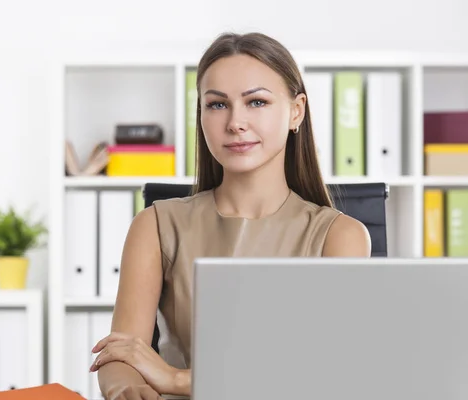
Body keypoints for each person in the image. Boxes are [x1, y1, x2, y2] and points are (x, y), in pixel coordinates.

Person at [90, 31, 372, 400]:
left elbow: (327, 372)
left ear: (296, 111)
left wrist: (175, 379)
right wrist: (127, 388)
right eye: (218, 105)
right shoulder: (156, 225)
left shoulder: (340, 235)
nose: (236, 122)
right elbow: (123, 352)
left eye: (256, 102)